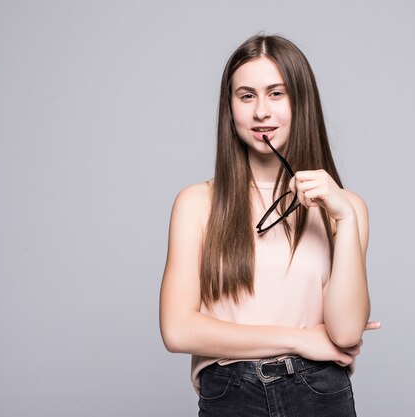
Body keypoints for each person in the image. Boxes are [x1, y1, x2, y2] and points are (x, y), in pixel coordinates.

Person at [159, 34, 380, 416]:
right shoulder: (197, 203)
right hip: (231, 393)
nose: (262, 112)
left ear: (301, 101)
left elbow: (345, 334)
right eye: (247, 96)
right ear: (230, 109)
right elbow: (177, 330)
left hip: (319, 390)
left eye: (276, 93)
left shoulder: (347, 208)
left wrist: (344, 218)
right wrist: (299, 340)